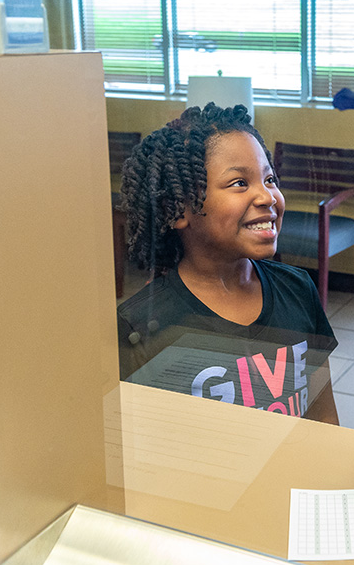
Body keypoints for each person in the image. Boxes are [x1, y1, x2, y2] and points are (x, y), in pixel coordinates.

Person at [117, 103, 340, 424]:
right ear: (178, 209)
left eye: (270, 179)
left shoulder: (298, 290)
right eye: (239, 183)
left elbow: (323, 415)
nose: (267, 197)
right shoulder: (141, 326)